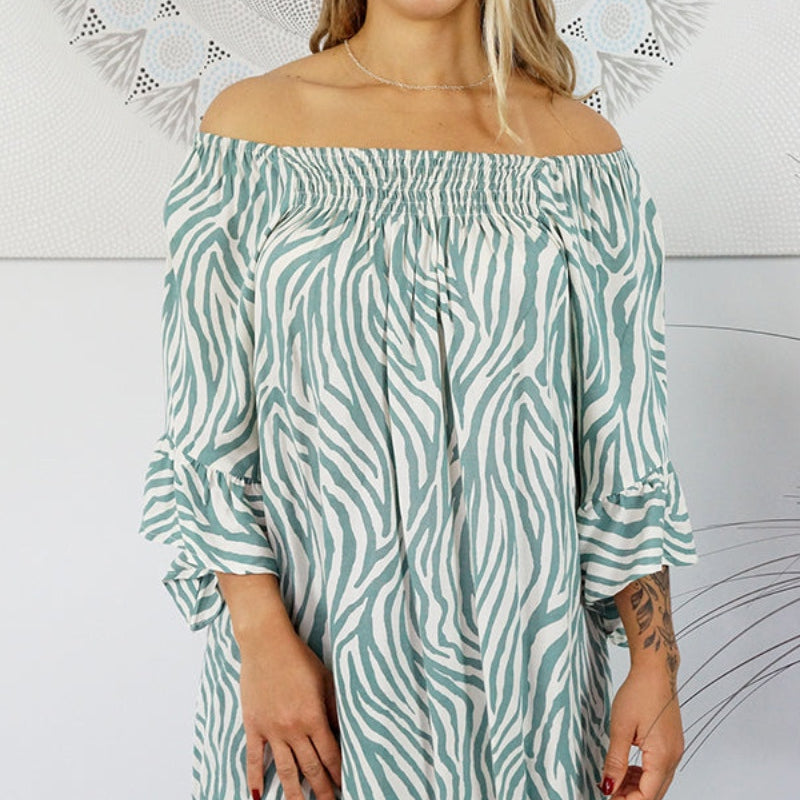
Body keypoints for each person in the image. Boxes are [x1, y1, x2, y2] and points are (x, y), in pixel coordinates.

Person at [137, 1, 699, 798]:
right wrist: (260, 640)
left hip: (528, 681)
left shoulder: (581, 155)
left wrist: (655, 665)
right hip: (314, 673)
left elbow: (622, 450)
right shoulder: (252, 133)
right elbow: (207, 436)